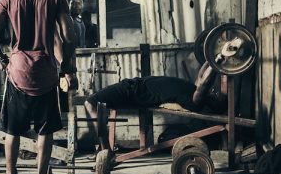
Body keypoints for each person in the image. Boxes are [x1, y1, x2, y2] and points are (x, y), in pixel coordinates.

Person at [0, 0, 76, 174]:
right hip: (46, 72)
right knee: (45, 131)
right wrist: (66, 66)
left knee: (12, 130)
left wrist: (2, 57)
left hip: (17, 72)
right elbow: (69, 36)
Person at [84, 61, 224, 152]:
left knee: (90, 103)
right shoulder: (193, 90)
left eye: (215, 94)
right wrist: (212, 58)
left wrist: (217, 61)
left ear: (210, 101)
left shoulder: (195, 101)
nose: (214, 91)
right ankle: (104, 149)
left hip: (133, 90)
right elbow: (201, 77)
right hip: (134, 86)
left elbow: (205, 83)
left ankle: (105, 150)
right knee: (93, 104)